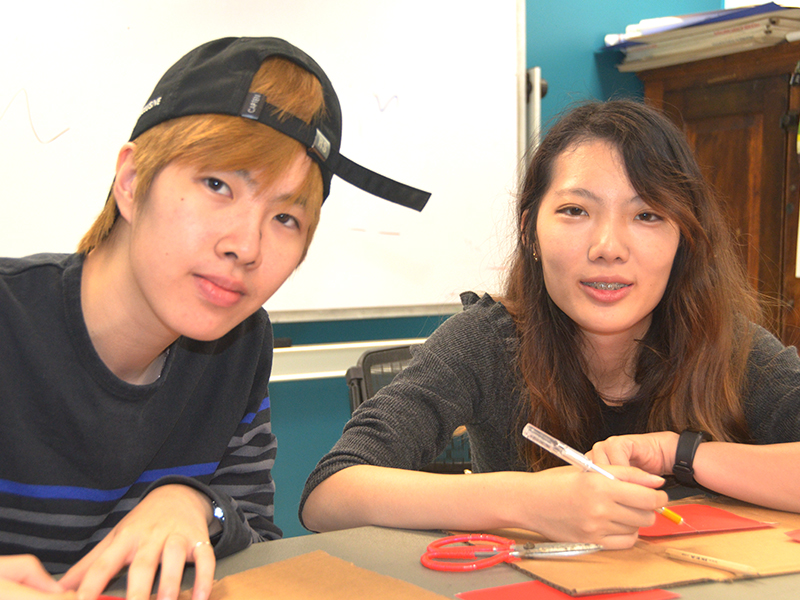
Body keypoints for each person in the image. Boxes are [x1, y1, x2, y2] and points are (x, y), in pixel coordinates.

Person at [0, 37, 428, 600]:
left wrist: (197, 504)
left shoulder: (239, 344)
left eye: (284, 217)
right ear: (131, 181)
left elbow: (259, 541)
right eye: (218, 184)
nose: (246, 246)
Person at [300, 99, 800, 550]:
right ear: (530, 231)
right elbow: (329, 494)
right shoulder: (486, 342)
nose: (608, 246)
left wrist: (678, 452)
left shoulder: (729, 346)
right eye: (575, 210)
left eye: (647, 215)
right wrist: (526, 500)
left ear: (683, 240)